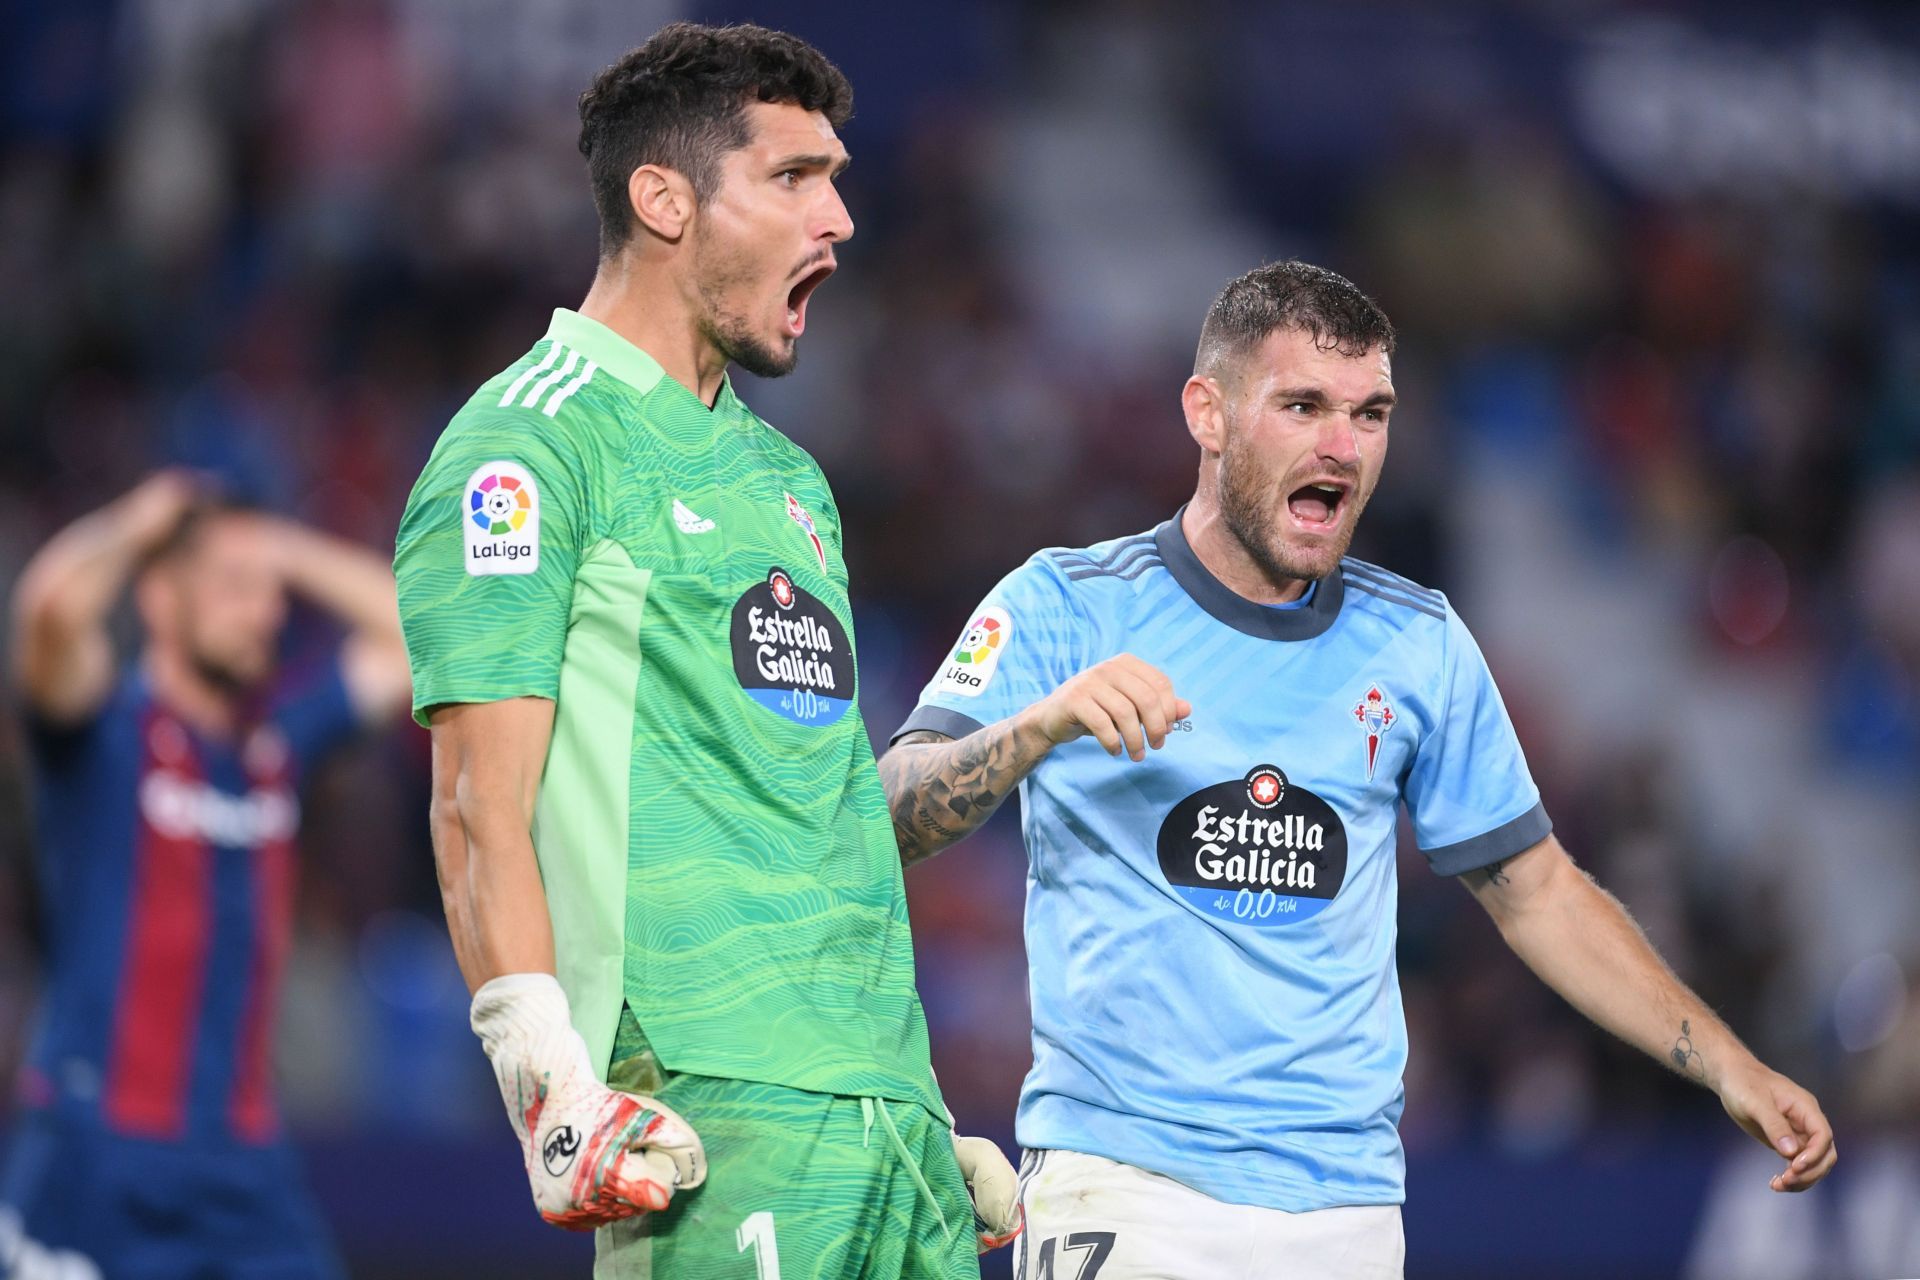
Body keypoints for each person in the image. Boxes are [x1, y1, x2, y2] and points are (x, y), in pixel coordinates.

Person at [878, 260, 1838, 1280]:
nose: (1343, 445)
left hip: (1349, 1215)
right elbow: (890, 805)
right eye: (1303, 405)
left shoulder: (1416, 642)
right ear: (1208, 413)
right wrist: (1035, 729)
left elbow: (1539, 890)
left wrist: (1728, 1060)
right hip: (1129, 1191)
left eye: (1369, 413)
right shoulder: (1066, 604)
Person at [392, 22, 1018, 1277]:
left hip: (882, 1117)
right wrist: (545, 1077)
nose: (838, 218)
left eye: (837, 179)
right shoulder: (525, 448)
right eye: (794, 178)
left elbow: (820, 801)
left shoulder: (790, 477)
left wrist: (907, 1100)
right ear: (663, 198)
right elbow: (473, 805)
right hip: (704, 1106)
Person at [2, 469, 413, 1278]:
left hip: (243, 1165)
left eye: (269, 594)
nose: (261, 610)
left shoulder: (275, 748)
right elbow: (49, 612)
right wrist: (134, 520)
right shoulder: (101, 735)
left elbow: (414, 637)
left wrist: (279, 549)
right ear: (158, 598)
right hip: (95, 1154)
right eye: (231, 587)